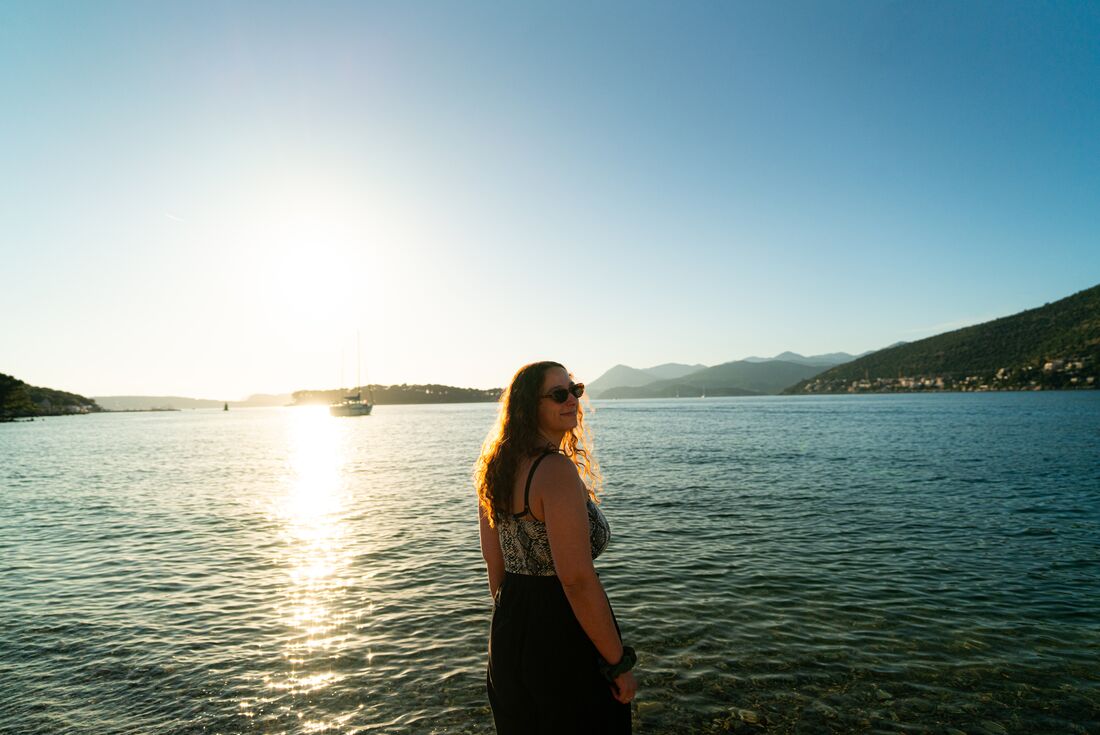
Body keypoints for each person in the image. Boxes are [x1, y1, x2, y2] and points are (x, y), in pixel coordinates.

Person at [475, 361, 636, 734]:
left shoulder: (494, 468)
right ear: (529, 406)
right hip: (562, 633)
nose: (572, 400)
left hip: (508, 626)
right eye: (559, 394)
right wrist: (617, 663)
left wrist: (514, 620)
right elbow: (576, 579)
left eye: (575, 390)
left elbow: (494, 562)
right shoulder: (555, 471)